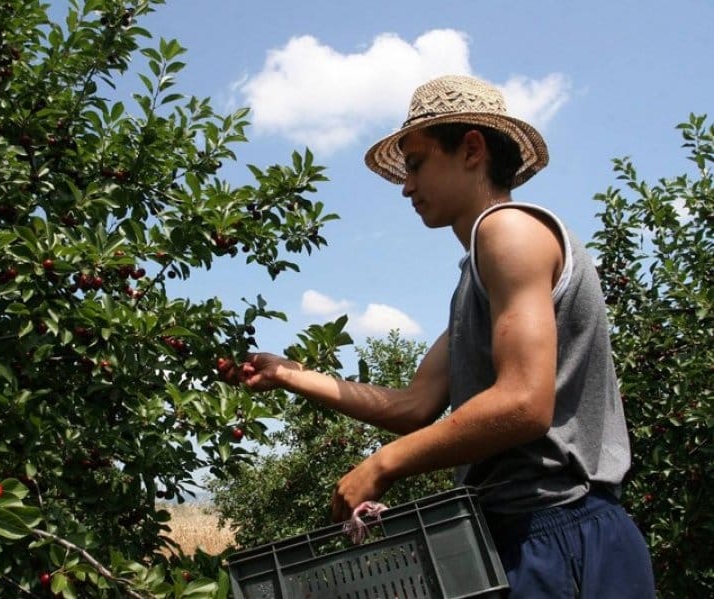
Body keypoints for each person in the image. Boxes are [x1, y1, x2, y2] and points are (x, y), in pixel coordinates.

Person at [221, 75, 655, 598]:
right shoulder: (478, 274)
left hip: (557, 530)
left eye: (418, 163)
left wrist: (385, 463)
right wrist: (289, 374)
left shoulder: (508, 232)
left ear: (471, 148)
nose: (406, 186)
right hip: (525, 533)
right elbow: (415, 404)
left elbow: (523, 401)